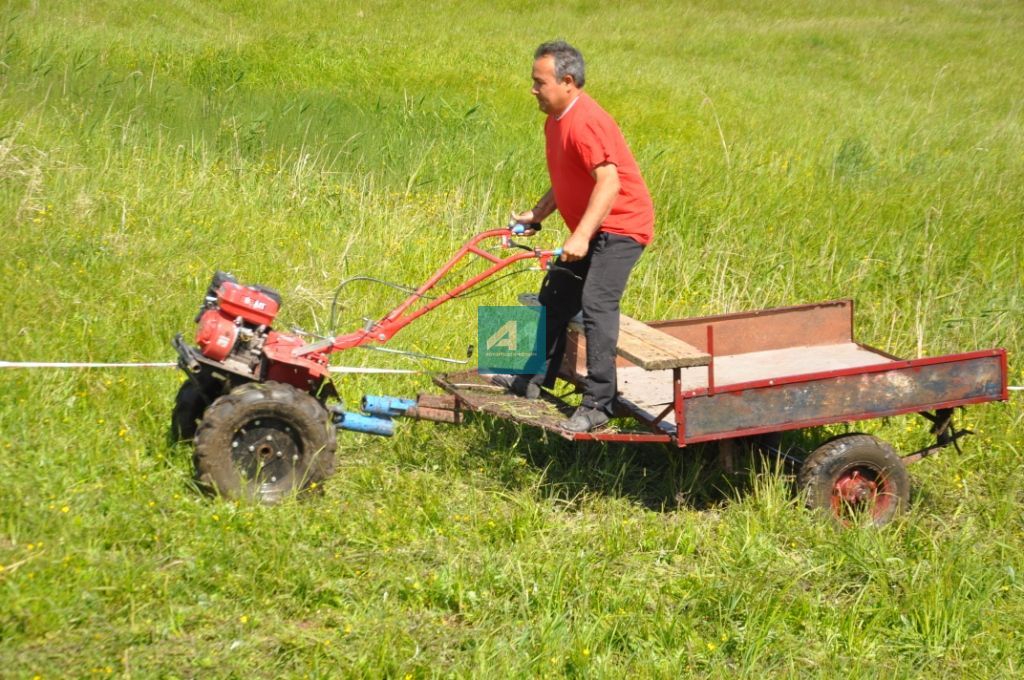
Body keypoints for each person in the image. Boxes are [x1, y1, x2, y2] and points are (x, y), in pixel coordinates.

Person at [495, 40, 655, 433]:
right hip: (591, 224)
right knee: (555, 294)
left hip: (622, 225)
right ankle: (531, 379)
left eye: (539, 82)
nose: (533, 89)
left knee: (596, 303)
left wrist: (581, 237)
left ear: (567, 81)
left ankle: (599, 403)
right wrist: (537, 214)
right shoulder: (555, 120)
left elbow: (608, 183)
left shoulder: (586, 121)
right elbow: (566, 177)